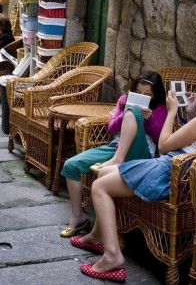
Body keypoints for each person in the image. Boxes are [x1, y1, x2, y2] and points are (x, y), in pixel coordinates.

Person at [73, 64, 196, 283]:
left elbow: (164, 146)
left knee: (99, 186)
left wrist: (172, 111)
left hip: (168, 171)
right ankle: (98, 236)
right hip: (179, 175)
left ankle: (112, 256)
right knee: (104, 172)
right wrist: (191, 113)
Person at [59, 70, 167, 238]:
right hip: (116, 146)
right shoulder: (124, 100)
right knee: (71, 165)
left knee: (135, 112)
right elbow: (111, 128)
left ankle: (118, 159)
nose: (141, 96)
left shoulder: (160, 108)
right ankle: (78, 216)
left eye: (147, 95)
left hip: (143, 150)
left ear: (155, 96)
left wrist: (149, 119)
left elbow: (161, 138)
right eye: (138, 92)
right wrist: (125, 114)